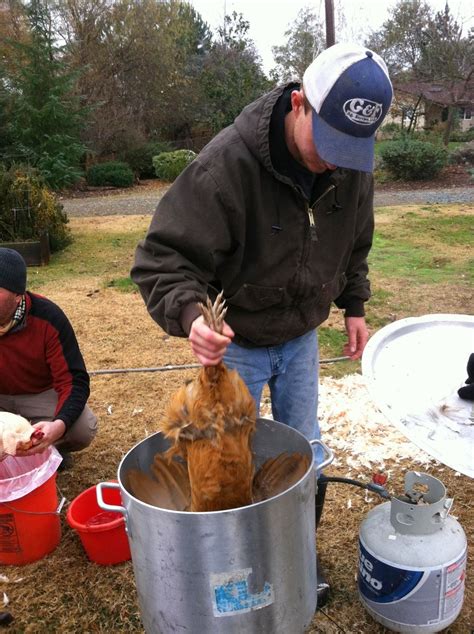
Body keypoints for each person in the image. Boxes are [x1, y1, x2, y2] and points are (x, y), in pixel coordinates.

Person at [131, 42, 393, 607]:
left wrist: (354, 304)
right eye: (327, 144)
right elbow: (163, 258)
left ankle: (298, 554)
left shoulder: (349, 165)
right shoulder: (226, 165)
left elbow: (357, 242)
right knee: (225, 460)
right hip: (239, 347)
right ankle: (232, 571)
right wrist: (190, 317)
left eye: (350, 151)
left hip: (300, 336)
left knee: (307, 454)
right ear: (299, 103)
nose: (335, 161)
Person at [0, 248, 97, 468]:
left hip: (39, 395)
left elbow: (74, 381)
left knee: (82, 427)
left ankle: (51, 448)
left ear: (18, 296)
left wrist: (58, 427)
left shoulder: (48, 317)